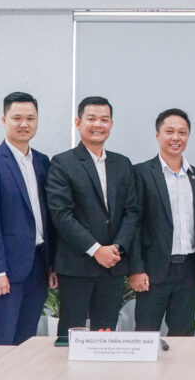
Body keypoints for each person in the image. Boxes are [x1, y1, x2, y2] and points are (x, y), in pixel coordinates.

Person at [45, 96, 140, 334]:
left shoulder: (122, 163)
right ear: (78, 123)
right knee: (71, 333)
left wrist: (117, 248)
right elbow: (62, 215)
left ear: (111, 124)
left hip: (113, 265)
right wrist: (97, 250)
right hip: (77, 265)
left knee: (106, 333)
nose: (98, 124)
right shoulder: (62, 163)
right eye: (91, 119)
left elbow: (132, 211)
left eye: (104, 119)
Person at [0, 92, 56, 345]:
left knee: (27, 339)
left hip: (39, 265)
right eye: (17, 118)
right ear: (4, 120)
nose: (24, 124)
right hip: (7, 269)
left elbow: (48, 218)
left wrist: (52, 265)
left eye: (30, 118)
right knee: (2, 338)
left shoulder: (42, 161)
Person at [128, 109, 195, 336]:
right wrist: (136, 269)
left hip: (188, 270)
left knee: (183, 333)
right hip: (153, 270)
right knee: (146, 334)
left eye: (182, 132)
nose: (176, 137)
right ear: (157, 135)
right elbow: (133, 225)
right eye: (169, 131)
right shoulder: (141, 173)